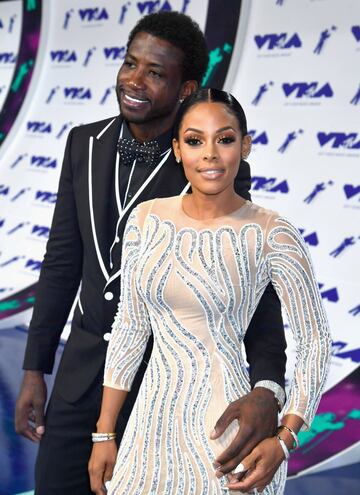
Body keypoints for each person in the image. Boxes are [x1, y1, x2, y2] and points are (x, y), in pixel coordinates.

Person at [15, 13, 287, 494]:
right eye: (129, 63)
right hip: (80, 385)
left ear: (186, 89)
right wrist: (35, 368)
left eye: (155, 73)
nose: (133, 81)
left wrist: (267, 387)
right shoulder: (83, 143)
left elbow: (257, 294)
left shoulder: (203, 162)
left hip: (167, 399)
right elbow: (61, 263)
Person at [89, 88, 331, 494]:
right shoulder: (145, 219)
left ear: (245, 146)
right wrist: (104, 432)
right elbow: (131, 327)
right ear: (178, 149)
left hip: (228, 432)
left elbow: (315, 342)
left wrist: (285, 439)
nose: (210, 154)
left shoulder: (272, 232)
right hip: (149, 426)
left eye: (225, 138)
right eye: (195, 140)